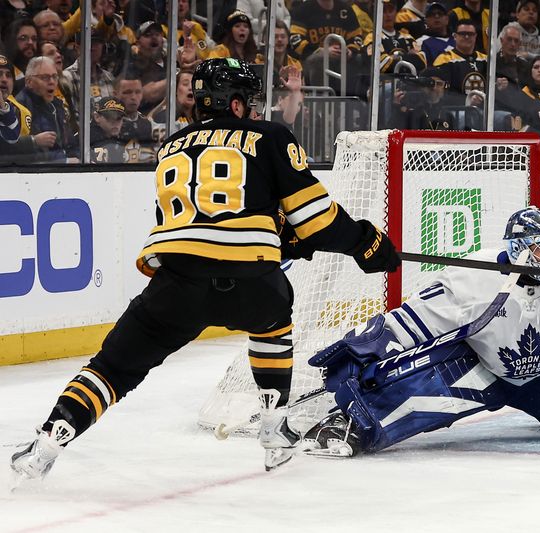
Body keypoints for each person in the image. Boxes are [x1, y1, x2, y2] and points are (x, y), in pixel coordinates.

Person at [10, 58, 401, 482]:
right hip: (253, 281)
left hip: (179, 283)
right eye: (248, 101)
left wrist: (281, 235)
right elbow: (316, 221)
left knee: (112, 368)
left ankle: (46, 445)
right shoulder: (270, 136)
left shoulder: (169, 147)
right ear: (234, 104)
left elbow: (198, 222)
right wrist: (366, 243)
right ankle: (274, 429)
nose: (253, 109)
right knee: (273, 318)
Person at [299, 206, 540, 460]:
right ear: (520, 250)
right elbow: (412, 321)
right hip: (480, 370)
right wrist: (365, 349)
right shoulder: (474, 279)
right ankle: (348, 421)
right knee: (411, 396)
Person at [14, 55, 77, 163]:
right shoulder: (20, 107)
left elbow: (71, 143)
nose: (52, 81)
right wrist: (64, 161)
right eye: (45, 77)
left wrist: (80, 158)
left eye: (54, 76)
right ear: (29, 82)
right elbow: (22, 154)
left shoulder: (57, 105)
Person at [85, 95, 127, 163]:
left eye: (119, 119)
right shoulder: (84, 138)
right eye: (110, 118)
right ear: (97, 117)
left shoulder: (127, 135)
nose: (115, 123)